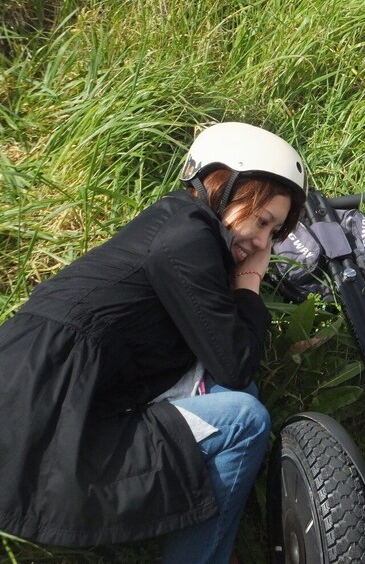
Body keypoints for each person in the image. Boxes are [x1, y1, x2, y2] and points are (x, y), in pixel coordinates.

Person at [0, 122, 307, 563]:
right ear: (223, 183)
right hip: (39, 428)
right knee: (245, 418)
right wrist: (250, 283)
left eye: (274, 234)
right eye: (262, 221)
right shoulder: (186, 239)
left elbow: (228, 364)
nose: (262, 242)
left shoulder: (178, 226)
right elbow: (236, 362)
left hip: (48, 398)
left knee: (233, 398)